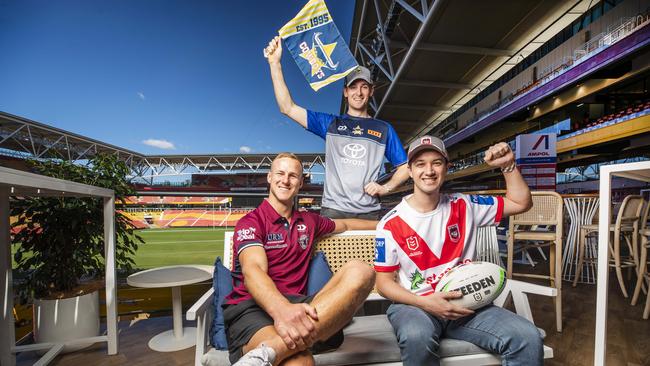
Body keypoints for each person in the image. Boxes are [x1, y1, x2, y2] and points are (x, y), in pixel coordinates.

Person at [374, 136, 543, 366]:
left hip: (467, 304)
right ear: (410, 171)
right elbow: (383, 283)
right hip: (414, 306)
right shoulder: (389, 223)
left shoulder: (465, 205)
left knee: (527, 337)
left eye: (437, 162)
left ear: (446, 168)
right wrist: (425, 303)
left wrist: (508, 165)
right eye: (420, 164)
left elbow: (521, 203)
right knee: (417, 336)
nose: (429, 171)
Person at [225, 152, 376, 366]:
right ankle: (284, 345)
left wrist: (392, 222)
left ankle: (267, 353)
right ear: (269, 177)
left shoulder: (309, 221)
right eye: (280, 173)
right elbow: (254, 270)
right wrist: (282, 311)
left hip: (299, 306)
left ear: (301, 182)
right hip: (252, 308)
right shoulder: (251, 222)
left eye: (293, 176)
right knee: (301, 363)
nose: (285, 180)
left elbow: (348, 224)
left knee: (362, 271)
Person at [264, 36, 409, 219]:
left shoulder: (383, 129)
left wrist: (385, 187)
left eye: (364, 87)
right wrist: (274, 63)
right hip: (333, 211)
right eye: (353, 87)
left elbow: (405, 167)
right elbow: (288, 107)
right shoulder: (330, 124)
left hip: (369, 212)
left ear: (371, 91)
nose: (358, 92)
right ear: (345, 92)